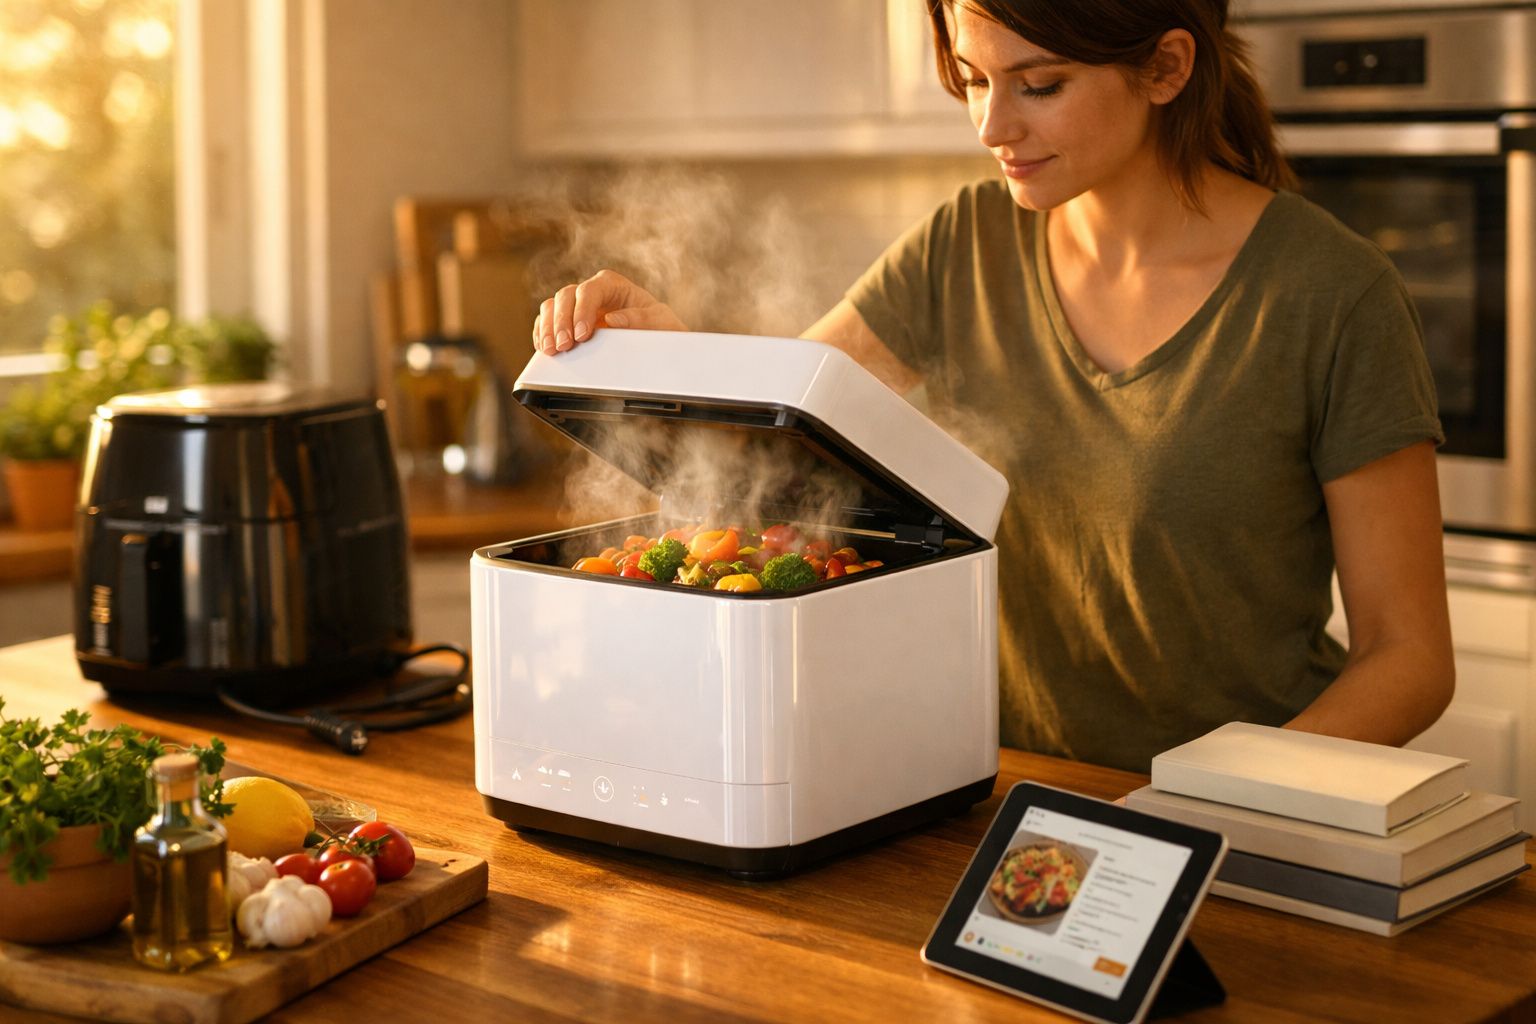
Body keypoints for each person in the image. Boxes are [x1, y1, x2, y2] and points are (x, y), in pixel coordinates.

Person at [528, 0, 1454, 773]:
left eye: (1039, 86)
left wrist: (1224, 801)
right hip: (1007, 799)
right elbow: (764, 462)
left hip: (1249, 825)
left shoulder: (1334, 295)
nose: (990, 126)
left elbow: (1408, 659)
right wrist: (668, 359)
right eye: (974, 79)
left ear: (1168, 67)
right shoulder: (964, 245)